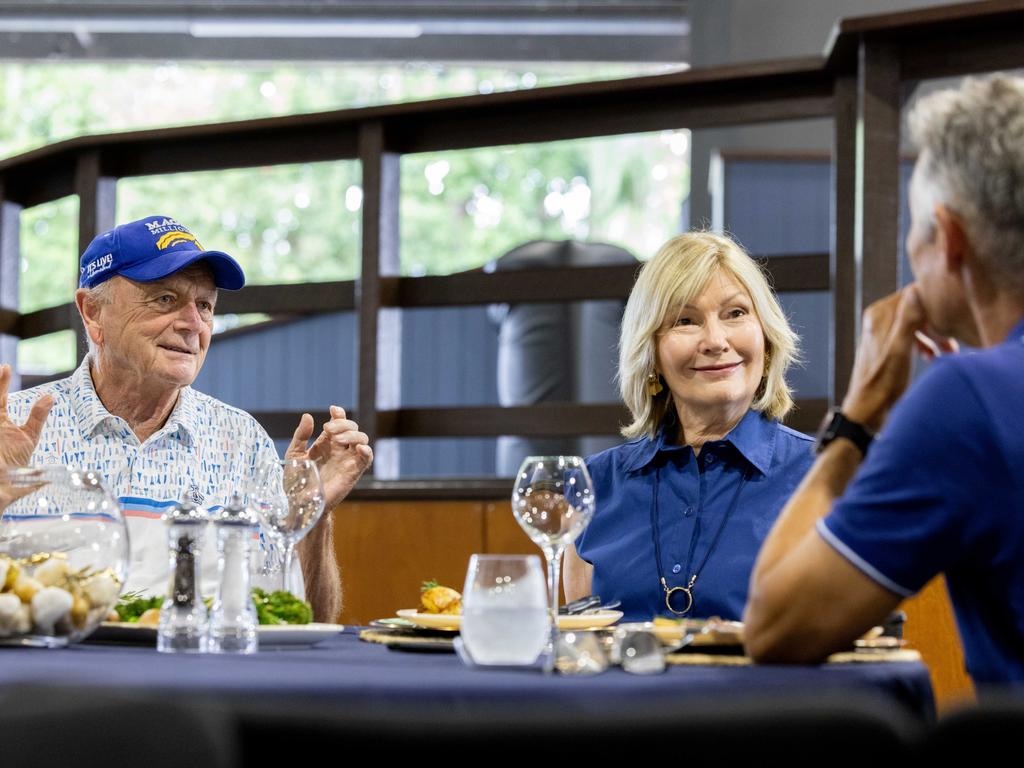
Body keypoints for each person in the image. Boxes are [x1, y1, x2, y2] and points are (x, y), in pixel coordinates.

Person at [743, 75, 1024, 686]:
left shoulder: (965, 398)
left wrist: (857, 417)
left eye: (915, 227)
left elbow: (774, 626)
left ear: (948, 240)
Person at [0, 215, 372, 622]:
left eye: (205, 306)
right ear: (93, 312)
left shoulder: (243, 442)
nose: (193, 324)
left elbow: (306, 623)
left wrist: (310, 517)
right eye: (165, 299)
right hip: (53, 683)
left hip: (203, 683)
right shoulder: (12, 429)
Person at [563, 231, 813, 622]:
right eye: (685, 320)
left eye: (736, 313)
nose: (715, 340)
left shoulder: (821, 475)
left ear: (766, 339)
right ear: (652, 355)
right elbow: (579, 646)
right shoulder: (595, 485)